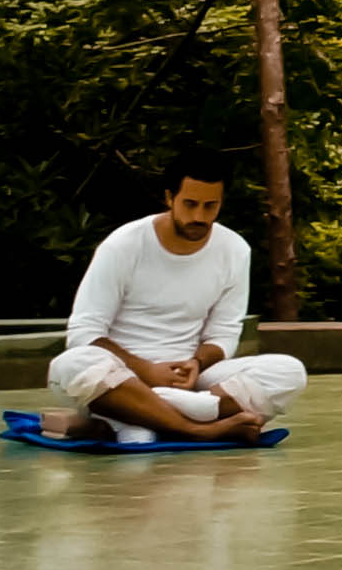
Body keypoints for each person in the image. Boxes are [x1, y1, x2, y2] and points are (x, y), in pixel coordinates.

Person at [45, 158, 310, 441]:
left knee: (289, 372)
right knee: (71, 364)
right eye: (190, 204)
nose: (199, 216)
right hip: (120, 377)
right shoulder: (123, 244)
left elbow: (223, 334)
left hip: (189, 380)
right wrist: (146, 370)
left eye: (210, 206)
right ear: (170, 197)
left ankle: (141, 417)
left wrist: (196, 364)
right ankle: (198, 428)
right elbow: (84, 332)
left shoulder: (234, 250)